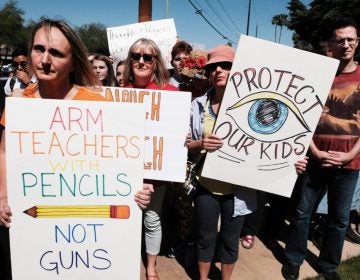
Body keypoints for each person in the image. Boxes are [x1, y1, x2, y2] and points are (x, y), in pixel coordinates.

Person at [0, 18, 153, 279]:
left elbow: (116, 161)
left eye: (56, 53)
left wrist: (137, 189)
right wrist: (3, 196)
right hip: (28, 222)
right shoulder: (19, 102)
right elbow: (4, 151)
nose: (44, 59)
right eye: (39, 49)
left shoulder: (95, 102)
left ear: (73, 62)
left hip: (83, 236)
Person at [282, 18, 360, 280]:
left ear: (357, 42)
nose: (345, 44)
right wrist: (314, 150)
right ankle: (293, 260)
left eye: (350, 39)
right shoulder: (318, 74)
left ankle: (329, 267)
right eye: (340, 40)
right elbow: (301, 115)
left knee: (339, 221)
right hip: (315, 159)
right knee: (302, 214)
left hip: (349, 164)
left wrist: (350, 154)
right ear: (332, 44)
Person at [188, 44, 256, 280]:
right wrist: (201, 143)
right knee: (206, 237)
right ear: (207, 72)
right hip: (206, 184)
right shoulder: (197, 105)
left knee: (229, 239)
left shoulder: (251, 106)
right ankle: (204, 278)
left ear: (235, 71)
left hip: (237, 191)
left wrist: (291, 164)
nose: (218, 70)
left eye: (225, 66)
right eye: (213, 67)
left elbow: (266, 145)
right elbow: (184, 143)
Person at [123, 37, 178, 279]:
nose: (141, 61)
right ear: (129, 60)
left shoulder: (172, 94)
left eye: (147, 57)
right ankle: (121, 259)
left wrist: (182, 135)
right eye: (136, 56)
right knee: (124, 218)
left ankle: (151, 266)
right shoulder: (118, 94)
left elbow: (175, 137)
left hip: (156, 173)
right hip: (124, 171)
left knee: (152, 220)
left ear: (156, 62)